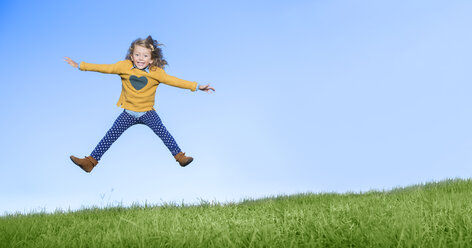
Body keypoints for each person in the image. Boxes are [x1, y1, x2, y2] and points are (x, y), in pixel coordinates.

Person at [64, 35, 215, 173]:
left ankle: (180, 157)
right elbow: (104, 68)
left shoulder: (156, 72)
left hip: (147, 112)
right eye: (137, 55)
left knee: (163, 132)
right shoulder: (123, 66)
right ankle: (90, 162)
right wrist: (80, 65)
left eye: (145, 56)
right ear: (131, 56)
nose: (140, 58)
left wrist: (197, 86)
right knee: (110, 135)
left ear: (151, 59)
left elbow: (175, 81)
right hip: (128, 112)